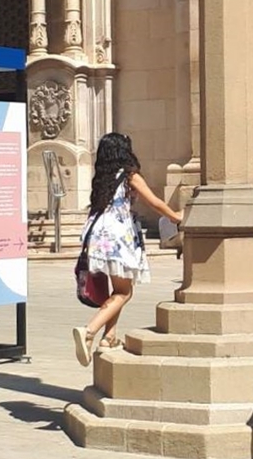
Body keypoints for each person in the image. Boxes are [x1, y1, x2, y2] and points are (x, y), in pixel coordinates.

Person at [72, 133, 182, 366]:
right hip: (117, 237)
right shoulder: (129, 175)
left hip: (97, 237)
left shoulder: (103, 178)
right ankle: (89, 331)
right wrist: (175, 217)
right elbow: (154, 202)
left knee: (118, 290)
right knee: (124, 292)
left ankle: (109, 337)